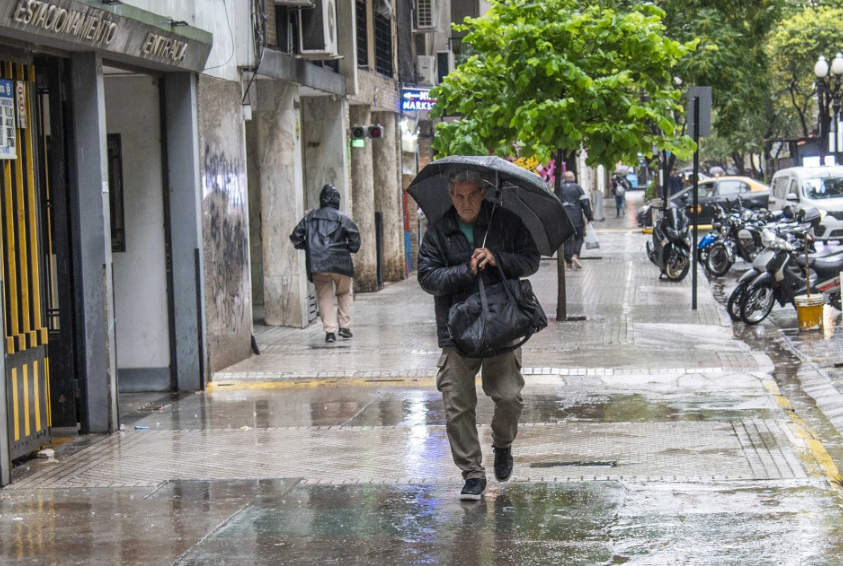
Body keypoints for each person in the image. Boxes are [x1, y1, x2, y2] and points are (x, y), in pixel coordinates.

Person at [417, 170, 540, 501]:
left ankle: (502, 443)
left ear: (483, 193)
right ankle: (472, 472)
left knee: (510, 397)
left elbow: (531, 260)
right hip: (458, 329)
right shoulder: (439, 230)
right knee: (457, 403)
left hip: (502, 324)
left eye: (472, 195)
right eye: (458, 196)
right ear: (450, 195)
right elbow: (427, 277)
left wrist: (496, 258)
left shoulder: (506, 222)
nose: (465, 202)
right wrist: (465, 270)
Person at [289, 184, 361, 343]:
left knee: (324, 296)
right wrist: (348, 248)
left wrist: (309, 248)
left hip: (318, 265)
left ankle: (329, 332)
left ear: (321, 200)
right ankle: (344, 327)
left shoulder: (309, 217)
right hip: (341, 264)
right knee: (343, 294)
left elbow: (296, 237)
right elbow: (355, 240)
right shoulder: (342, 217)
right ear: (337, 201)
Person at [558, 171, 593, 270]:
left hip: (564, 218)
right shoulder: (578, 188)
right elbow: (585, 203)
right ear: (573, 178)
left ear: (564, 178)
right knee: (579, 238)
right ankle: (575, 255)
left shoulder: (559, 188)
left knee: (567, 241)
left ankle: (568, 265)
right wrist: (589, 217)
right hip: (577, 218)